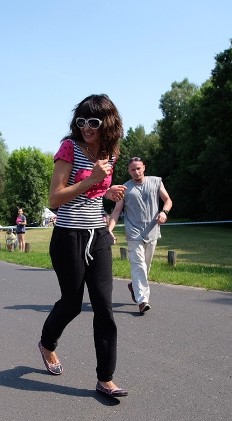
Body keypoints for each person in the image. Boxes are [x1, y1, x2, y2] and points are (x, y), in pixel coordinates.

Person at [38, 93, 128, 399]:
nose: (87, 127)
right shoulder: (69, 148)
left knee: (104, 306)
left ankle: (106, 378)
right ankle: (47, 344)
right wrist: (93, 180)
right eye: (81, 121)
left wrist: (107, 190)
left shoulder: (110, 152)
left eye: (94, 121)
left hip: (98, 234)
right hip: (68, 236)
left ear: (108, 123)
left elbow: (91, 195)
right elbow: (55, 199)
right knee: (72, 303)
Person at [108, 157, 173, 314]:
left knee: (146, 266)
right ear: (128, 171)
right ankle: (143, 300)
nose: (136, 172)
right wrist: (109, 230)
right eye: (132, 169)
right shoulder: (125, 188)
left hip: (152, 231)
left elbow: (168, 200)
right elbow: (117, 211)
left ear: (144, 167)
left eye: (138, 168)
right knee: (138, 266)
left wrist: (164, 212)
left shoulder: (156, 182)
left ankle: (134, 286)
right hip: (134, 233)